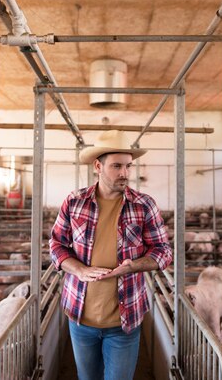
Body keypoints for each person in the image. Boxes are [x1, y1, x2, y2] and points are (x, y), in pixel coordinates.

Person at [49, 130, 172, 380]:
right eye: (117, 166)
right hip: (80, 317)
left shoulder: (144, 204)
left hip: (124, 321)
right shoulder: (74, 202)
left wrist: (134, 266)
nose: (125, 173)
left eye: (128, 166)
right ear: (98, 166)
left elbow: (163, 251)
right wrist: (80, 270)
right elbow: (56, 245)